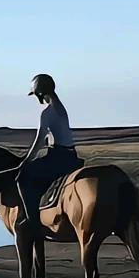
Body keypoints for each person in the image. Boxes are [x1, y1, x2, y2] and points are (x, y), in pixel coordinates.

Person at [16, 73, 82, 233]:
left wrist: (26, 161)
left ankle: (31, 220)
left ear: (39, 93)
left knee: (23, 178)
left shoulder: (47, 112)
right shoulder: (60, 107)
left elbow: (39, 141)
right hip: (71, 156)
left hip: (58, 157)